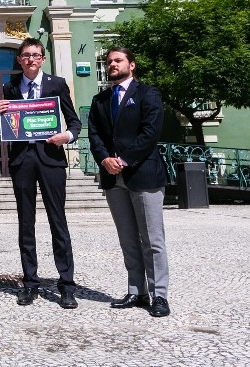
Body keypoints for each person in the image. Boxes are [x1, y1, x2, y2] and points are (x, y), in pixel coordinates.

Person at [0, 38, 81, 309]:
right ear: (19, 59)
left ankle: (66, 285)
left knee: (58, 221)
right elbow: (3, 126)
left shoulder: (57, 84)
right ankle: (30, 283)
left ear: (43, 59)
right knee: (25, 223)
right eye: (26, 56)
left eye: (36, 55)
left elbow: (74, 121)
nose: (31, 60)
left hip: (51, 159)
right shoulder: (10, 86)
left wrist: (67, 136)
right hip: (22, 161)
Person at [87, 47, 171, 317]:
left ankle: (159, 295)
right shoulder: (100, 100)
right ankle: (136, 290)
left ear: (131, 65)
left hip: (143, 174)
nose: (112, 64)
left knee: (152, 239)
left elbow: (150, 133)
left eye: (118, 60)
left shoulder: (148, 94)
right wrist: (104, 160)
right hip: (114, 180)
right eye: (109, 61)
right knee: (127, 239)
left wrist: (122, 159)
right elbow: (95, 136)